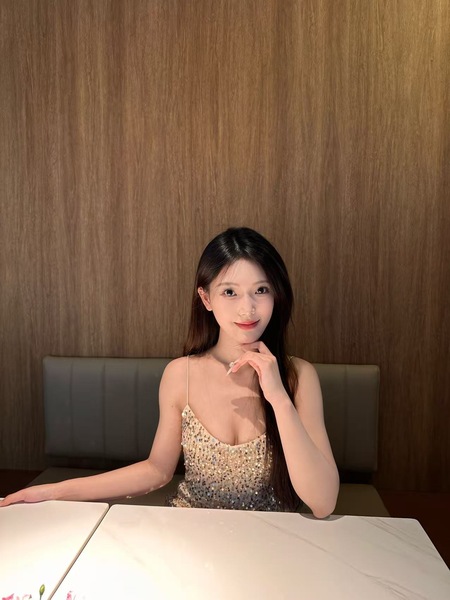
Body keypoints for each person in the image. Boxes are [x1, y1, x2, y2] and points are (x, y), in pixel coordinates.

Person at [0, 227, 339, 517]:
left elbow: (323, 503)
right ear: (206, 299)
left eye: (260, 290)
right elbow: (156, 470)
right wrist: (54, 492)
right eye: (230, 292)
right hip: (189, 534)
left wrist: (279, 398)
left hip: (272, 543)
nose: (247, 308)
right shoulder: (181, 375)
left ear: (276, 294)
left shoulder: (298, 376)